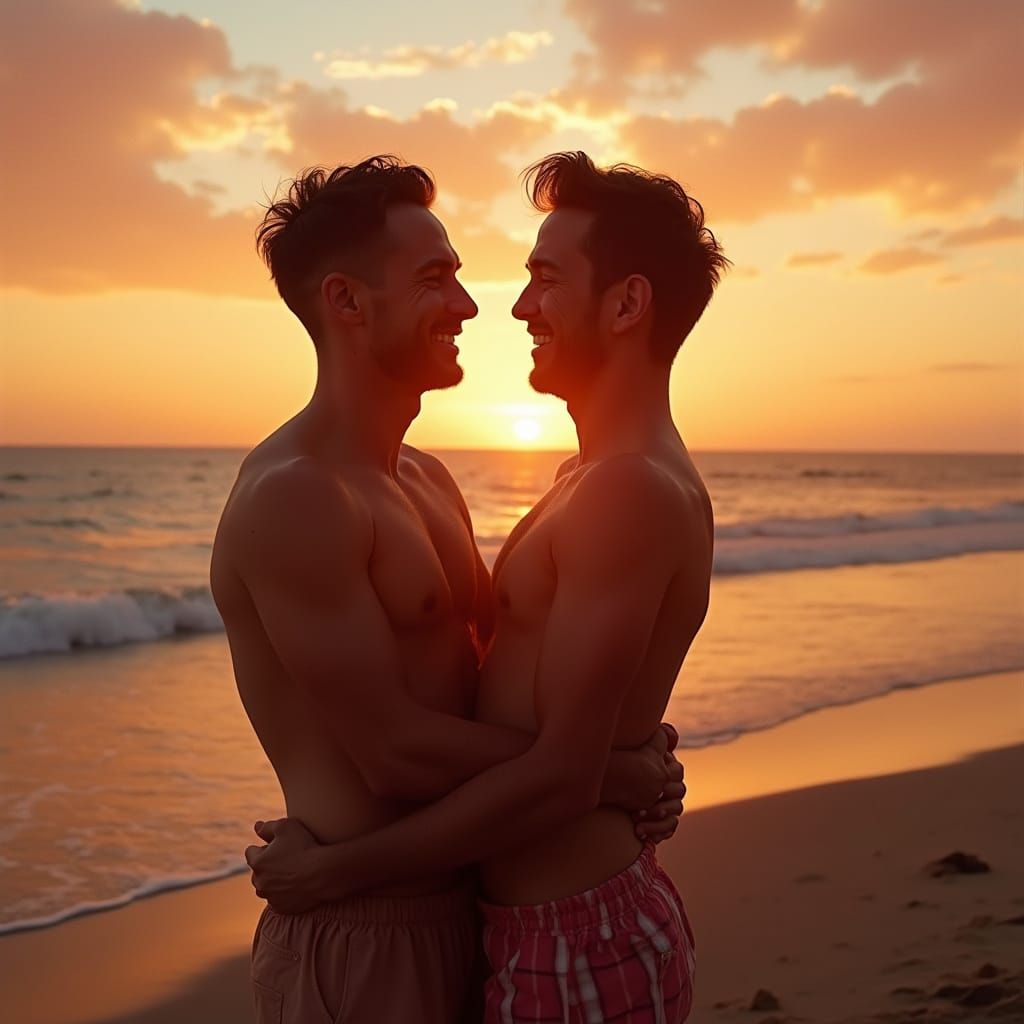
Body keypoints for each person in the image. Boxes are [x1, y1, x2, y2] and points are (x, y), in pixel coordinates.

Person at [248, 151, 727, 1023]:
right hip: (367, 929)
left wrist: (597, 765)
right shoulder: (297, 497)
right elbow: (393, 750)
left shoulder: (436, 481)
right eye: (437, 279)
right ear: (347, 302)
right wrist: (610, 770)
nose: (485, 306)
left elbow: (500, 695)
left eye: (541, 278)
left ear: (626, 304)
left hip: (488, 909)